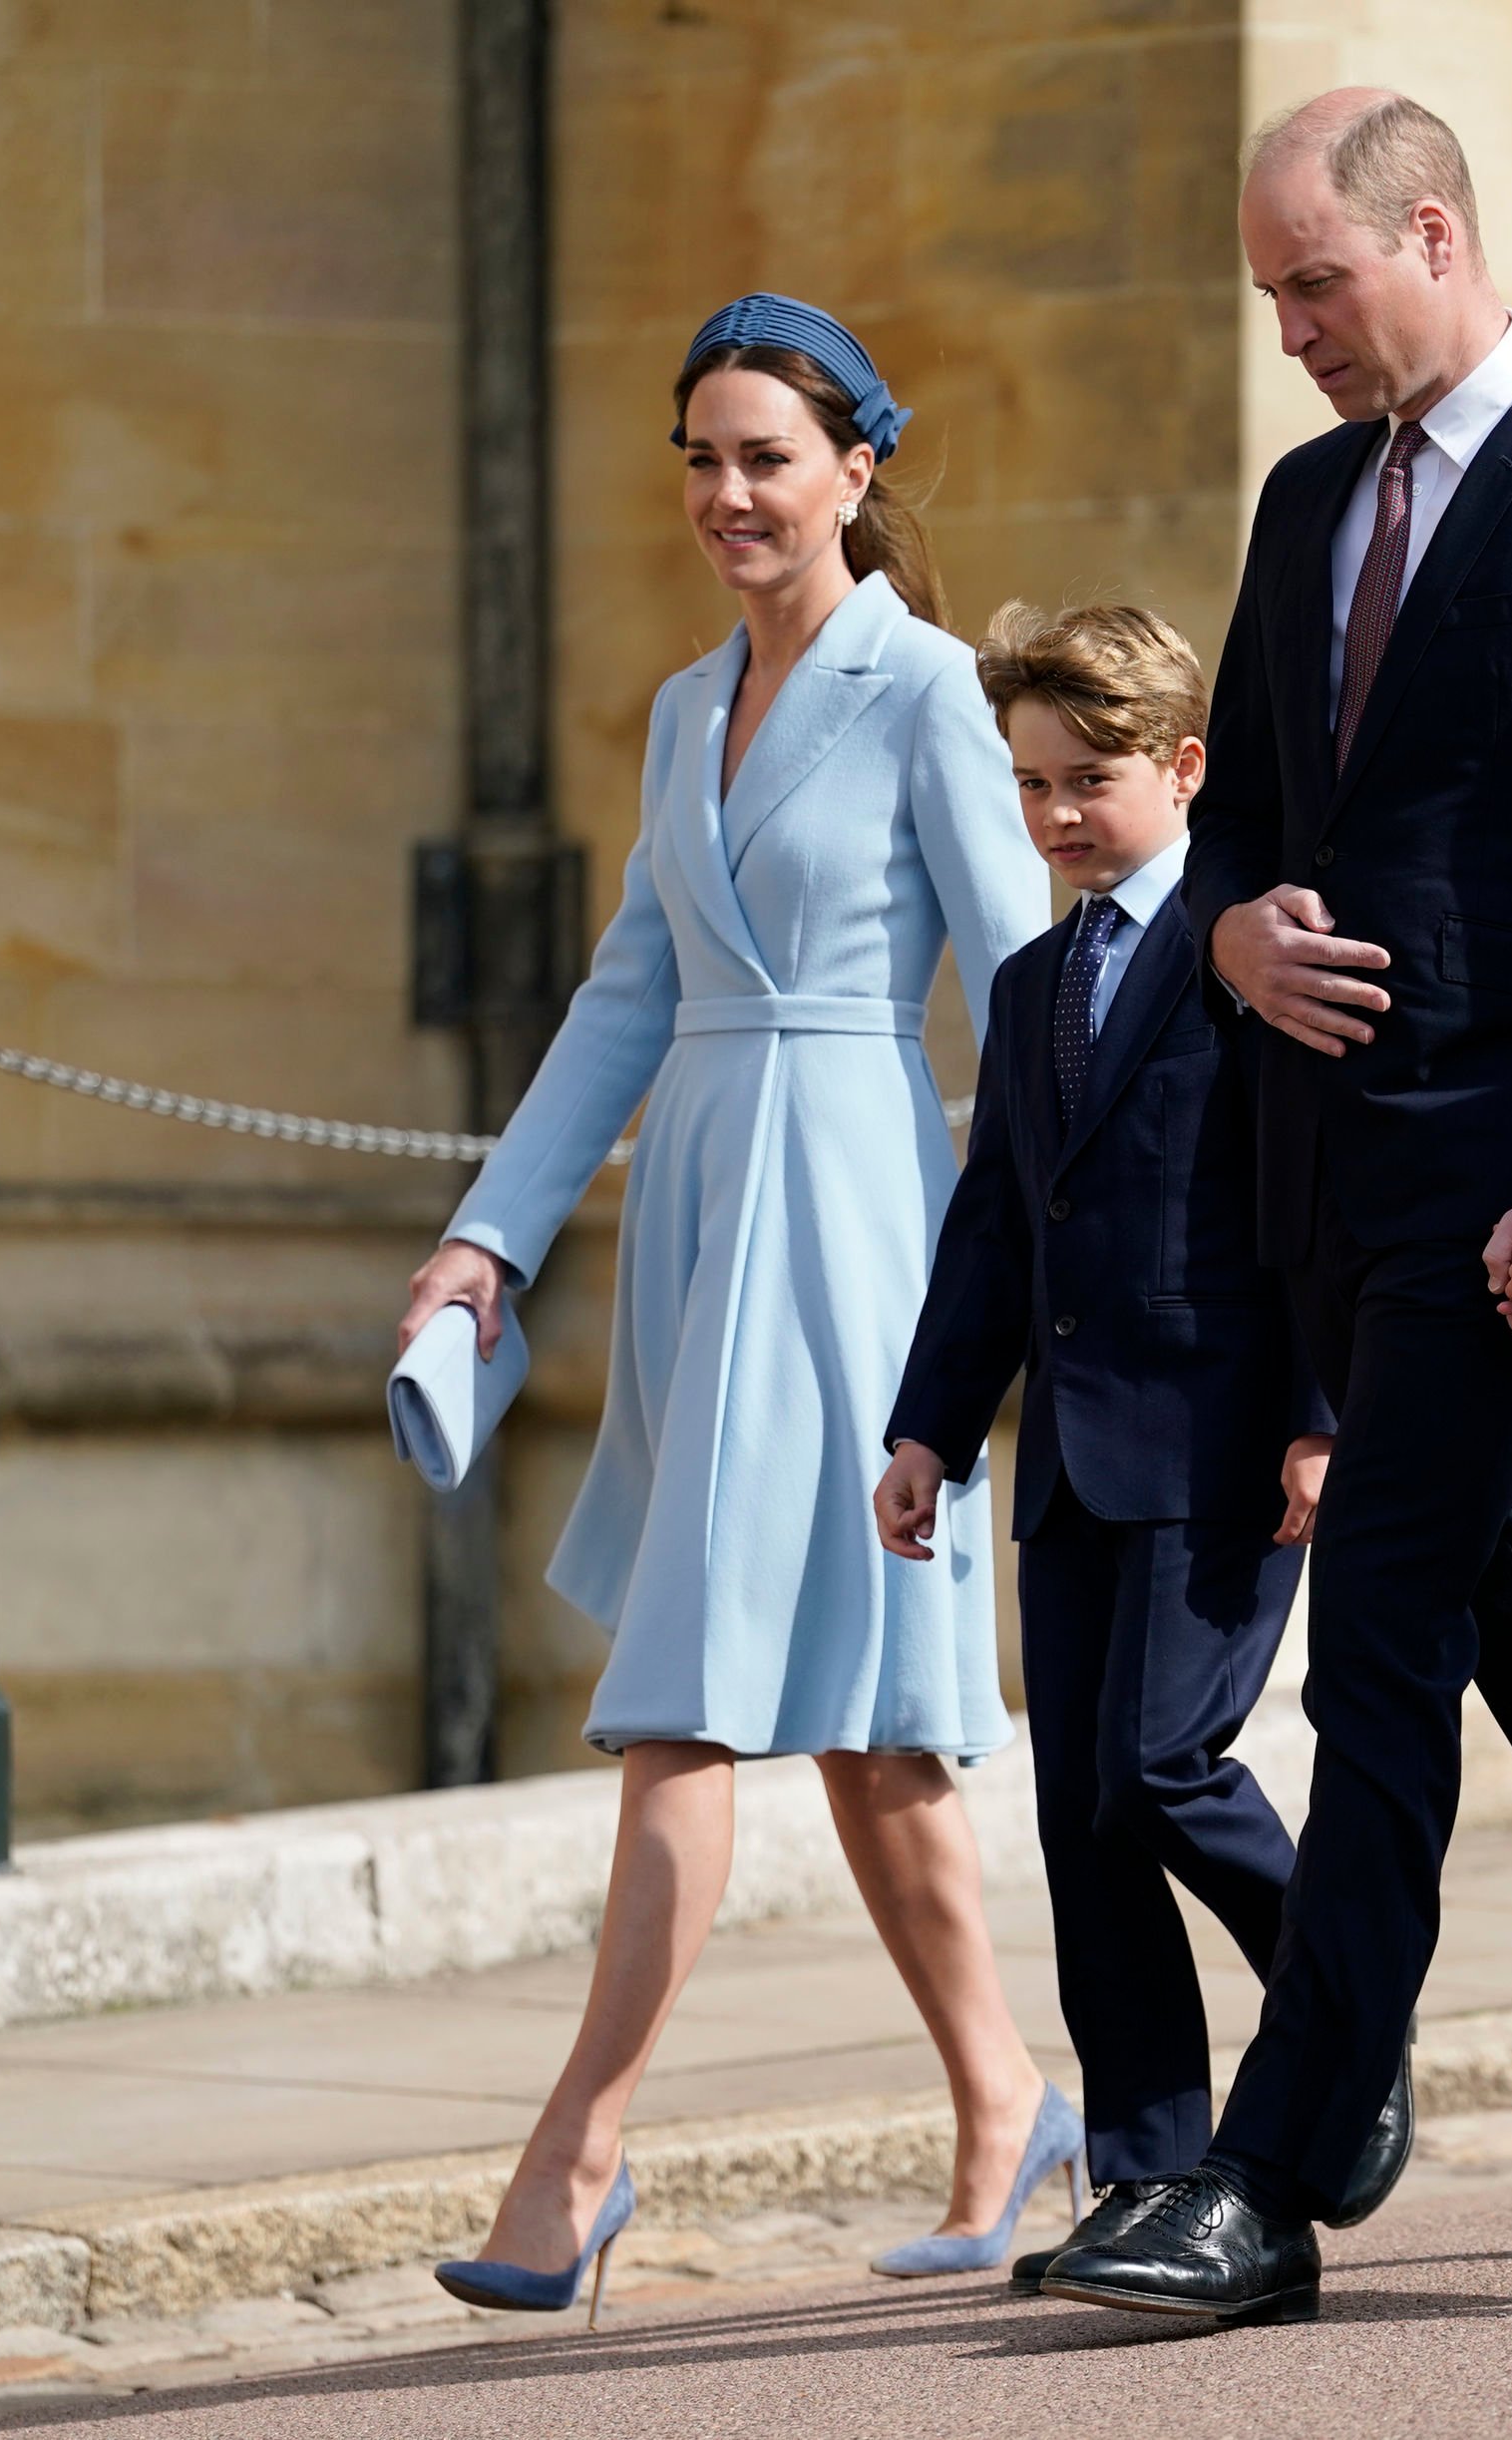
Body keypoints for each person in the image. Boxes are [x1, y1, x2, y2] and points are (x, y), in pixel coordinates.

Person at [1043, 92, 1512, 2329]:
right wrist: (1225, 943)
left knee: (1374, 1653)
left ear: (1432, 235)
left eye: (1314, 284)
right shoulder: (1298, 505)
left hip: (1502, 1210)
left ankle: (1273, 2175)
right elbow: (1248, 833)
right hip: (1319, 1197)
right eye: (1269, 293)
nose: (1286, 332)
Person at [406, 296, 1073, 2317]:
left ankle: (572, 2152)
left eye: (764, 456)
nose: (726, 494)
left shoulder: (931, 690)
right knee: (871, 1734)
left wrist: (1062, 1272)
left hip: (858, 1211)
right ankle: (1006, 2095)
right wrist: (489, 1238)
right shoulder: (685, 706)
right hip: (705, 1208)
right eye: (698, 457)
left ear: (857, 467)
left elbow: (1030, 988)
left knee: (690, 1694)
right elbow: (623, 990)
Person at [874, 602, 1337, 2291]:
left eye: (1090, 778)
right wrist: (931, 1423)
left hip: (1226, 1443)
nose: (1057, 813)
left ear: (1187, 768)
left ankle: (1341, 2004)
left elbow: (1308, 1202)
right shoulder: (1026, 979)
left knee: (1165, 1768)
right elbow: (997, 1224)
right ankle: (1148, 2171)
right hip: (1069, 1462)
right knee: (1082, 1815)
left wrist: (1320, 1412)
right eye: (1031, 784)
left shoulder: (1247, 943)